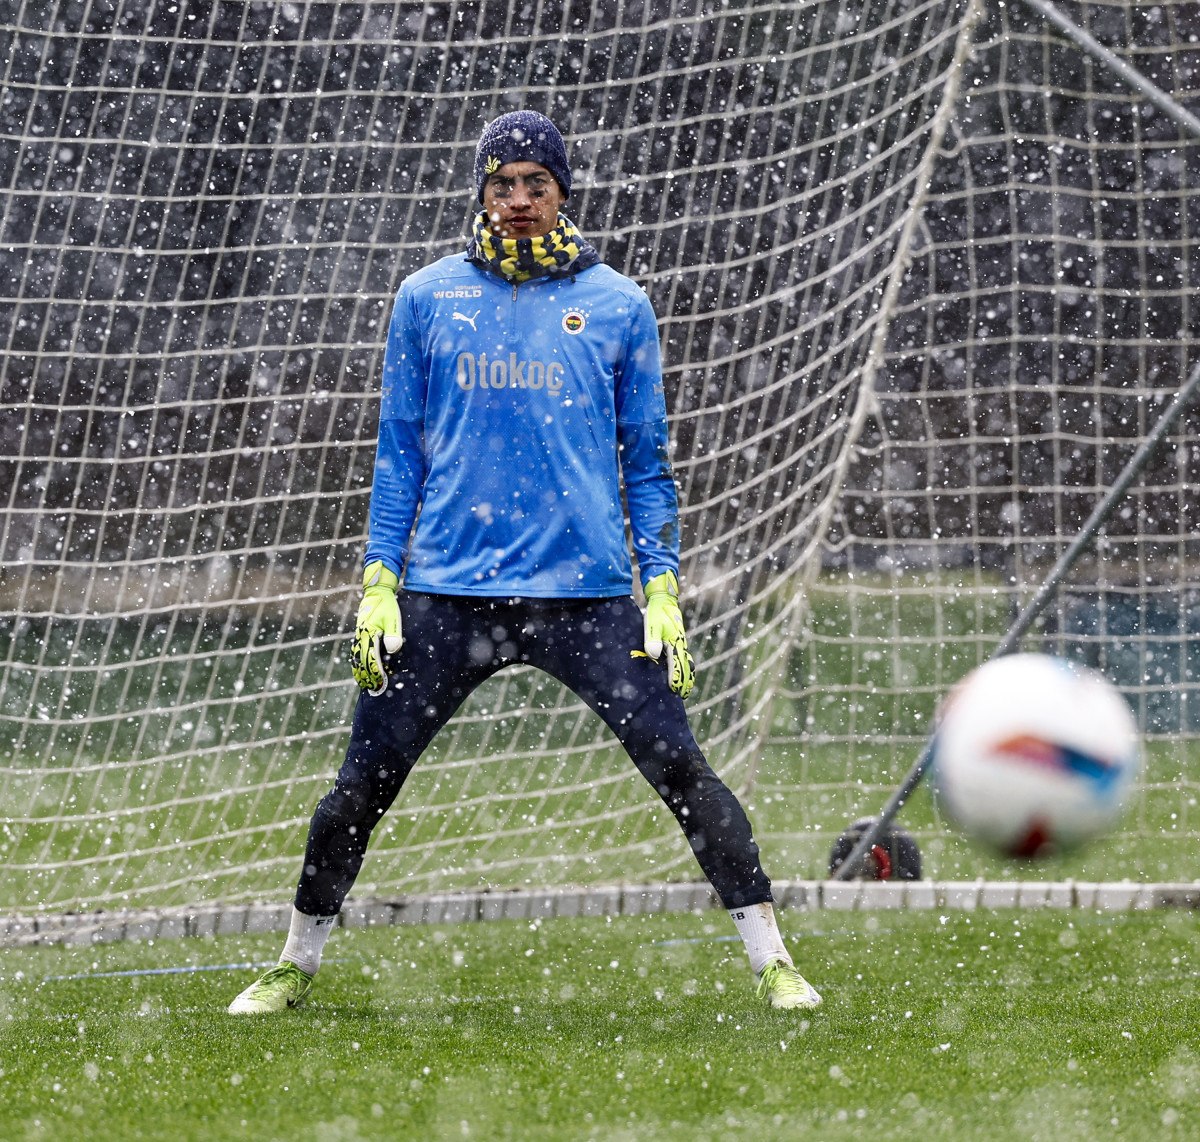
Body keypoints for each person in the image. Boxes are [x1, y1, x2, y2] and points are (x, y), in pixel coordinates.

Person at [228, 111, 820, 1014]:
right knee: (361, 786)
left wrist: (661, 583)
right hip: (444, 594)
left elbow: (646, 461)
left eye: (534, 184)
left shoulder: (619, 303)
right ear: (481, 191)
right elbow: (399, 452)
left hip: (584, 596)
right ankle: (293, 963)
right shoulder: (426, 297)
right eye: (500, 183)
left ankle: (774, 961)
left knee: (682, 770)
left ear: (562, 192)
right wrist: (378, 580)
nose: (516, 201)